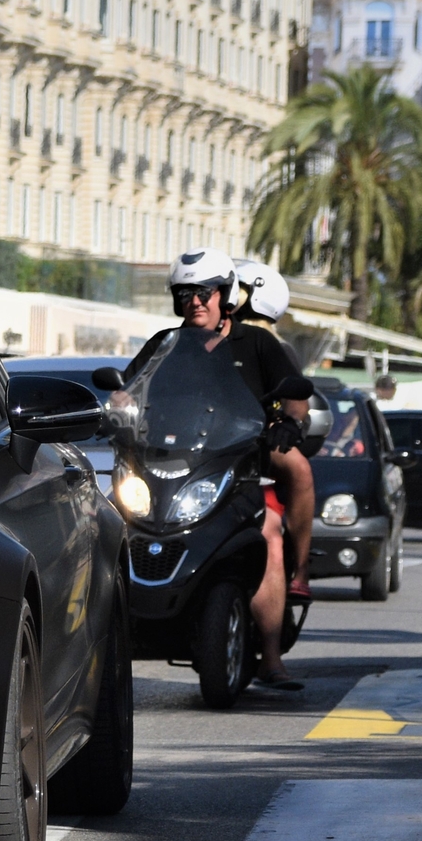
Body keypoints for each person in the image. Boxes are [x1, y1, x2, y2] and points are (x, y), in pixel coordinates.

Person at [123, 250, 310, 691]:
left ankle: (271, 655)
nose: (195, 302)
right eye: (185, 294)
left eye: (205, 292)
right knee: (106, 525)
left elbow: (297, 398)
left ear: (225, 295)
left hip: (239, 470)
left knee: (269, 537)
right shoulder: (165, 345)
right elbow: (129, 391)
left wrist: (287, 423)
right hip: (173, 469)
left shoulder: (258, 344)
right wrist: (117, 409)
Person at [234, 257, 318, 600]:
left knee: (300, 469)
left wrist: (285, 423)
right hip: (207, 442)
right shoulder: (202, 340)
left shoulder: (272, 346)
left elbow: (297, 403)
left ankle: (300, 569)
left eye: (234, 289)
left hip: (258, 441)